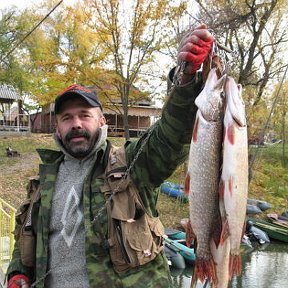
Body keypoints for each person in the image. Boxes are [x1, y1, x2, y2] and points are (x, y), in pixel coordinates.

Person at [6, 24, 213, 288]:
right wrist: (17, 273)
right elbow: (24, 239)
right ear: (57, 126)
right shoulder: (40, 183)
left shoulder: (133, 164)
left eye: (85, 115)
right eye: (67, 118)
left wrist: (185, 81)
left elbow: (170, 135)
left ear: (102, 120)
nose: (76, 124)